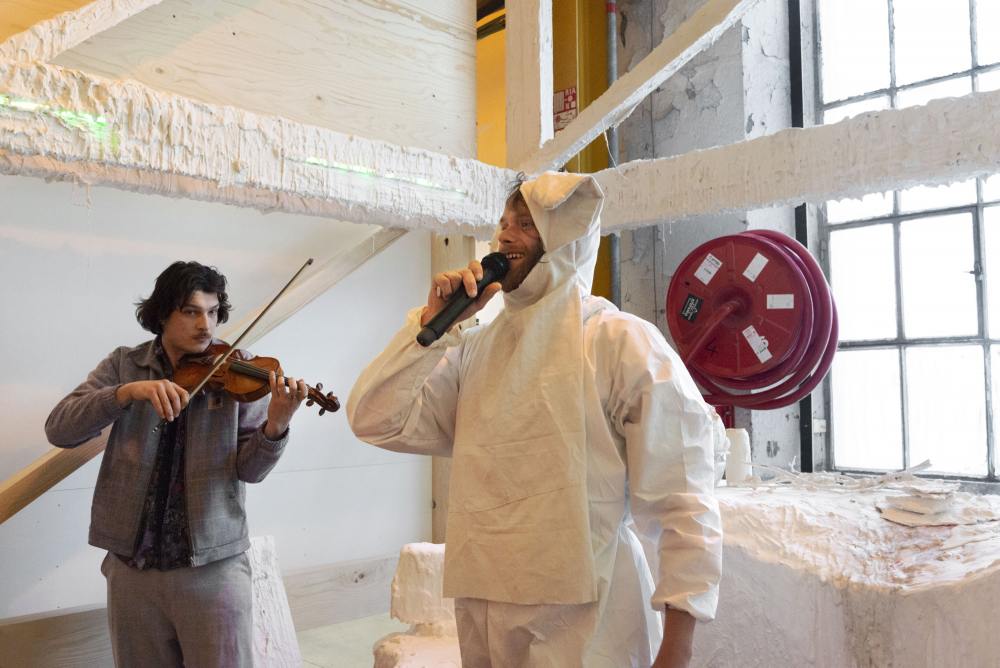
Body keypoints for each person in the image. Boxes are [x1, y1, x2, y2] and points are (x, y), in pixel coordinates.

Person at [347, 171, 724, 668]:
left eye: (525, 223)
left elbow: (685, 502)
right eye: (502, 223)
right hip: (485, 617)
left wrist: (676, 648)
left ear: (566, 233)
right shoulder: (474, 347)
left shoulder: (618, 342)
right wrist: (432, 327)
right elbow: (375, 419)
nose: (504, 235)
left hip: (590, 626)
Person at [46, 261, 308, 668]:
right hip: (133, 571)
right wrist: (126, 393)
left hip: (212, 571)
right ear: (162, 314)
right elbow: (60, 428)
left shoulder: (241, 369)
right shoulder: (125, 365)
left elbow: (251, 471)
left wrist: (276, 425)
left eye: (214, 311)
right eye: (191, 311)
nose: (207, 325)